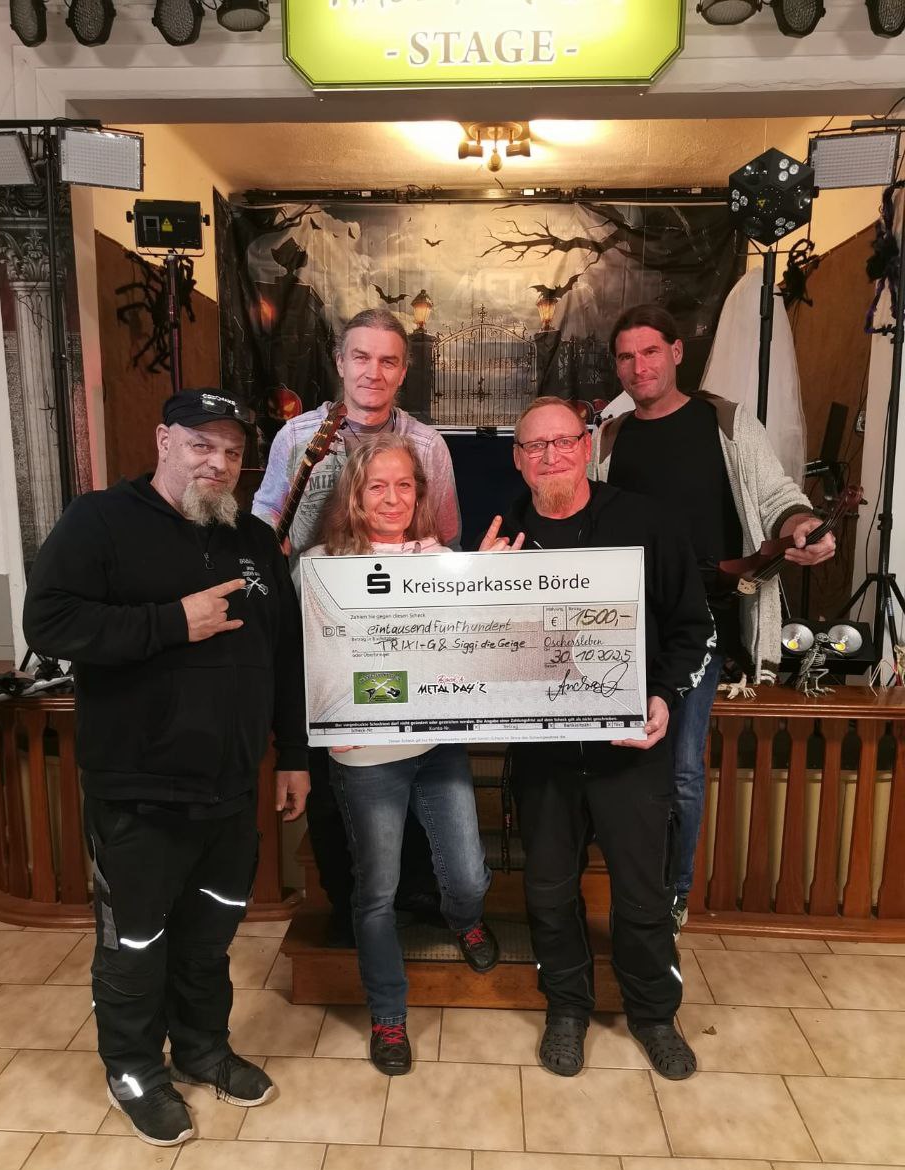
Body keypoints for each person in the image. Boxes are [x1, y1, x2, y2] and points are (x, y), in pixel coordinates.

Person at [23, 387, 310, 1147]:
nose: (218, 462)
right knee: (136, 943)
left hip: (231, 787)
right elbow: (48, 621)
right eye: (201, 445)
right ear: (163, 441)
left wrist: (293, 756)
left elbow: (285, 655)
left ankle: (202, 1049)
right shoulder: (100, 521)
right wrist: (172, 622)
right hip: (137, 789)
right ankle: (133, 1069)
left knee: (209, 936)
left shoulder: (254, 539)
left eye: (233, 452)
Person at [591, 304, 835, 931]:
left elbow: (777, 495)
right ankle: (629, 886)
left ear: (677, 352)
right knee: (621, 760)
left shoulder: (725, 422)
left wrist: (801, 524)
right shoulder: (608, 438)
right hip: (623, 626)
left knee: (680, 766)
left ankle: (672, 894)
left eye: (650, 351)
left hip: (701, 625)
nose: (638, 367)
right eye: (625, 357)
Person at [497, 396, 714, 1080]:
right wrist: (479, 585)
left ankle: (654, 1015)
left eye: (564, 442)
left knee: (643, 894)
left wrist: (663, 696)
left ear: (586, 447)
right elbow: (483, 652)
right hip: (544, 757)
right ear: (518, 459)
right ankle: (567, 1008)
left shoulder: (648, 522)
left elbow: (695, 629)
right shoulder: (502, 536)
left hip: (631, 751)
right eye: (536, 446)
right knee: (548, 890)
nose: (551, 456)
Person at [253, 308, 461, 946]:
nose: (374, 371)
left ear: (403, 370)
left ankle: (417, 891)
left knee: (411, 756)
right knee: (329, 775)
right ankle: (349, 904)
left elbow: (444, 535)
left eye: (388, 360)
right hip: (320, 640)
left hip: (404, 637)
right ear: (340, 363)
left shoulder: (427, 445)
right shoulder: (296, 438)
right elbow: (264, 528)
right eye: (361, 357)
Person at [305, 434, 501, 1075]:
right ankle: (388, 1016)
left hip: (436, 744)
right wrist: (330, 713)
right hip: (365, 758)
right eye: (377, 486)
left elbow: (467, 643)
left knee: (467, 874)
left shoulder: (440, 558)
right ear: (355, 495)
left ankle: (465, 919)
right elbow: (312, 658)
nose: (392, 498)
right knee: (377, 892)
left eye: (404, 485)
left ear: (420, 495)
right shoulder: (322, 566)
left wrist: (491, 583)